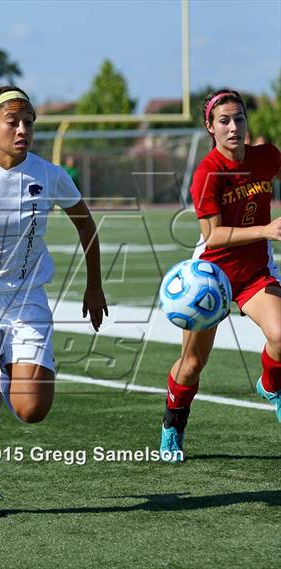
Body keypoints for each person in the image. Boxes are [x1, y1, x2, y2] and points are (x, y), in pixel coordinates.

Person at [0, 86, 108, 518]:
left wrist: (94, 286)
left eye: (28, 120)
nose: (23, 129)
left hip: (27, 301)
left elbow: (87, 227)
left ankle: (16, 370)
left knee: (31, 410)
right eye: (13, 121)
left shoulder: (49, 175)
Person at [159, 89, 281, 462]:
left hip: (256, 271)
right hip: (211, 277)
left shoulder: (266, 156)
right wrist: (266, 230)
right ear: (210, 127)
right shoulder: (207, 174)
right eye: (224, 121)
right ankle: (172, 428)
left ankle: (270, 385)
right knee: (193, 364)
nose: (233, 127)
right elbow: (213, 235)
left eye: (239, 118)